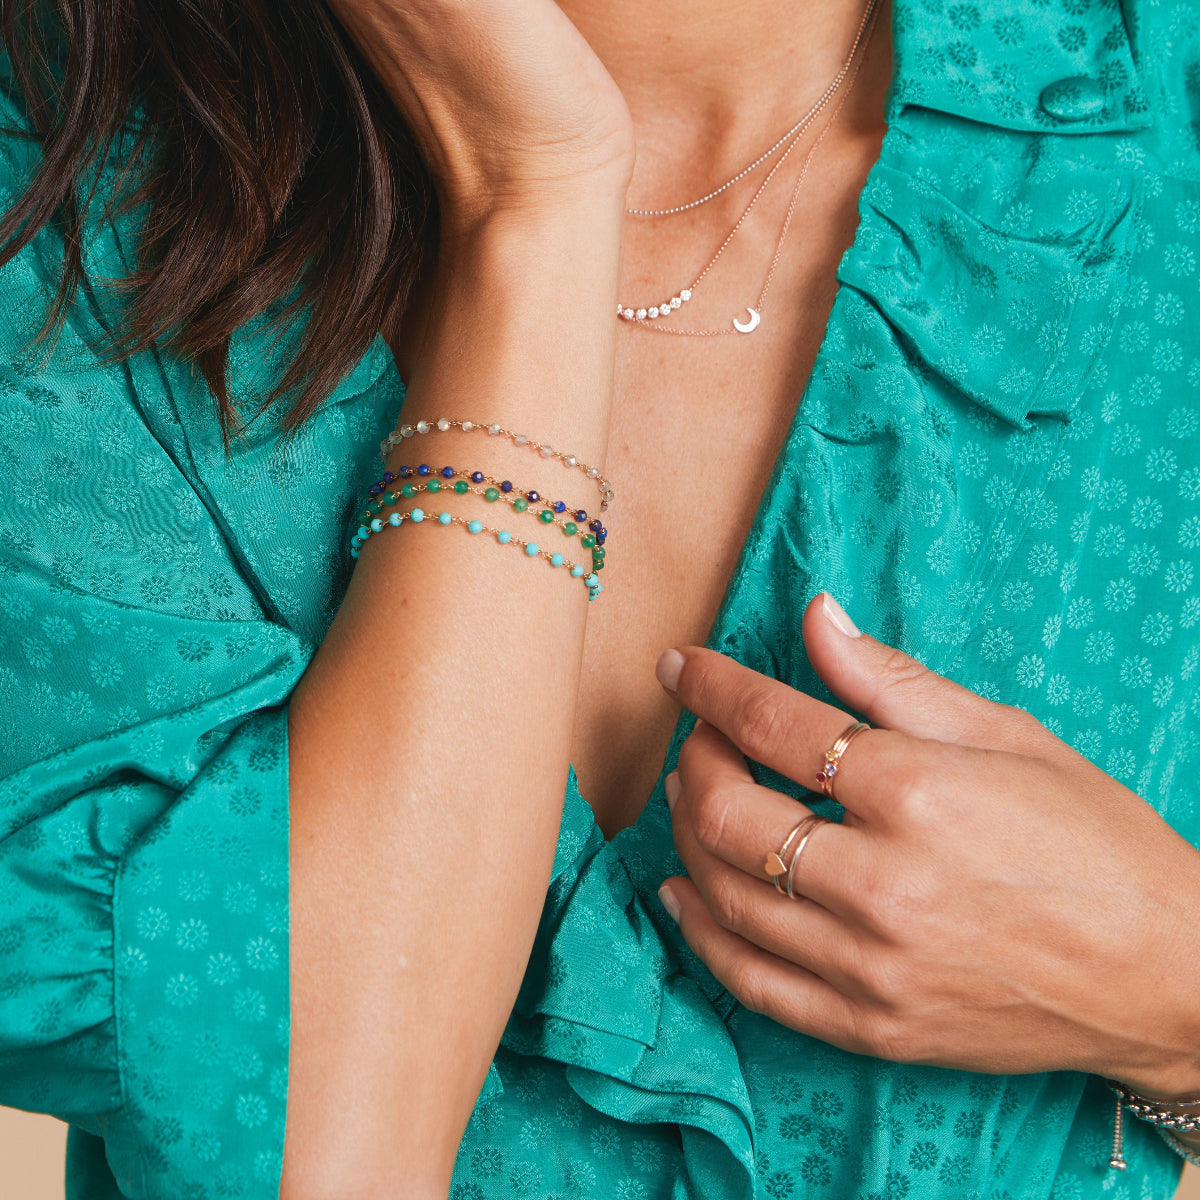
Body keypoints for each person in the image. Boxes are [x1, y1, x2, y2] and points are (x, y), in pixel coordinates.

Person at [0, 0, 1198, 1198]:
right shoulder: (60, 173)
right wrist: (535, 195)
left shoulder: (1162, 130)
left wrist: (1170, 998)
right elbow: (323, 1160)